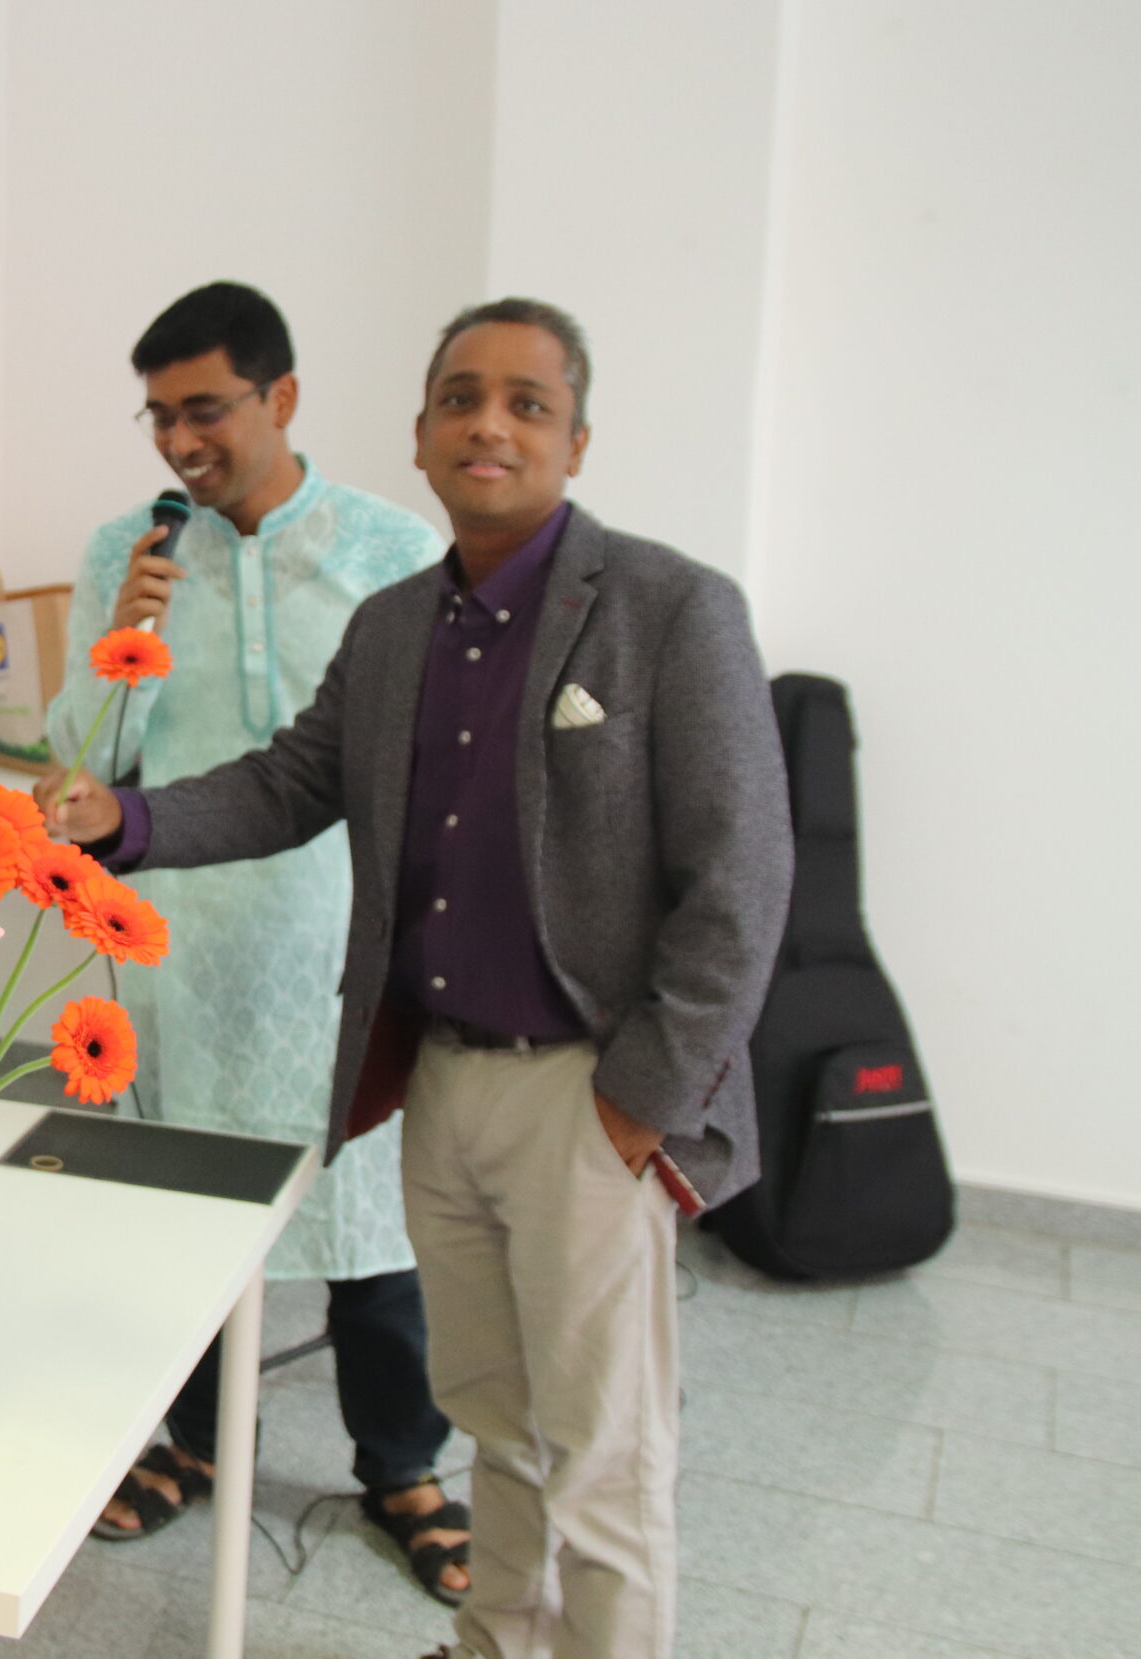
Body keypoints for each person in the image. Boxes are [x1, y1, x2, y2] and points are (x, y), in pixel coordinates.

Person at [48, 300, 793, 1659]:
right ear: (419, 431)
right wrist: (129, 821)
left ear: (577, 438)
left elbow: (741, 878)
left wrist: (645, 1099)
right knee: (495, 1415)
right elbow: (292, 781)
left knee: (604, 1460)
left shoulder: (670, 608)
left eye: (524, 401)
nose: (486, 424)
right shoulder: (399, 623)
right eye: (459, 397)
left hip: (588, 1090)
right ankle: (494, 1639)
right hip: (437, 1075)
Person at [41, 282, 470, 1604]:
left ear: (280, 397)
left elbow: (433, 755)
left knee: (370, 1223)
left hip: (343, 944)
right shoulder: (127, 549)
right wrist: (126, 638)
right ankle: (196, 1443)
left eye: (206, 409)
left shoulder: (391, 548)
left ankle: (403, 1465)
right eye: (159, 416)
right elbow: (81, 762)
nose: (180, 442)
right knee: (191, 1217)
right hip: (182, 945)